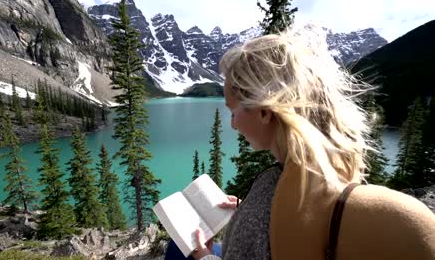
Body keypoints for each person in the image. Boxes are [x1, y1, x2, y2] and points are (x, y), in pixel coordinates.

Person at [166, 27, 435, 260]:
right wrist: (244, 206)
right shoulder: (327, 166)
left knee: (179, 250)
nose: (233, 124)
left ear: (264, 111)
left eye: (233, 111)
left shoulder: (263, 211)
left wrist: (205, 255)